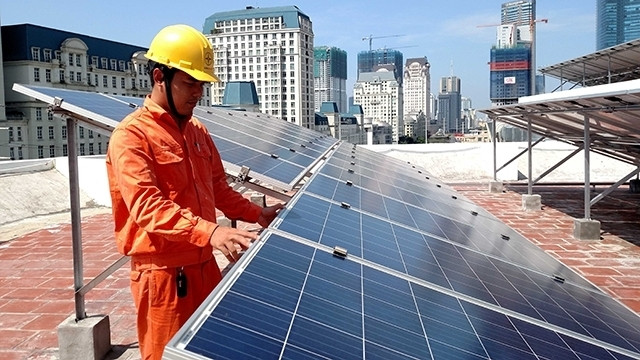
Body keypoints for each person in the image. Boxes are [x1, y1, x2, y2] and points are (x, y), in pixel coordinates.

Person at [106, 24, 284, 360]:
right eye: (190, 82)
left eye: (202, 84)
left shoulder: (198, 130)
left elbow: (216, 186)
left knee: (208, 350)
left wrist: (255, 214)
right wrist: (212, 231)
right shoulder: (131, 137)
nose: (198, 92)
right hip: (163, 276)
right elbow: (147, 207)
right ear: (160, 76)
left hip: (205, 265)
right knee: (167, 355)